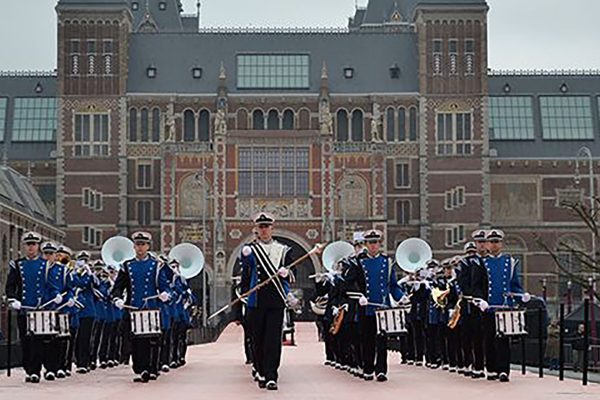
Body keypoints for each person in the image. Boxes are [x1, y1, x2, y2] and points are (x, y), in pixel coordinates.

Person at [342, 229, 405, 382]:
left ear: (379, 244)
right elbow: (348, 285)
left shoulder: (387, 262)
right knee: (367, 339)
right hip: (366, 306)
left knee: (382, 340)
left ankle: (381, 370)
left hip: (382, 306)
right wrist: (359, 296)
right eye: (370, 243)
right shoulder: (358, 262)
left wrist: (401, 297)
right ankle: (368, 368)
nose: (373, 246)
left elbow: (393, 285)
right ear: (366, 244)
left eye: (375, 242)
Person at [240, 212, 293, 391]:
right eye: (260, 227)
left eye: (266, 226)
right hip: (256, 301)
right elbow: (245, 277)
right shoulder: (250, 250)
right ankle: (260, 369)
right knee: (257, 339)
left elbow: (291, 274)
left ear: (272, 228)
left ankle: (271, 375)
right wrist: (246, 259)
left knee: (272, 340)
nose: (263, 230)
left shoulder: (283, 250)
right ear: (256, 229)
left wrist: (287, 272)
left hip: (276, 300)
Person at [111, 231, 173, 383]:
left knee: (152, 340)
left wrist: (165, 294)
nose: (140, 248)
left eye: (143, 245)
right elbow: (118, 286)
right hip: (133, 307)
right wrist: (117, 298)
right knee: (136, 341)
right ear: (134, 246)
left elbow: (165, 286)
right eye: (138, 244)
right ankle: (141, 369)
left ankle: (152, 368)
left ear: (148, 246)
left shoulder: (156, 265)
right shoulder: (127, 265)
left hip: (151, 307)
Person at [5, 232, 62, 383]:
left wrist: (56, 294)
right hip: (24, 307)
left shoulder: (45, 264)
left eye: (34, 244)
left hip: (40, 308)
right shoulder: (17, 264)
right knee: (26, 340)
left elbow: (51, 285)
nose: (31, 247)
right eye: (28, 244)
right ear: (24, 246)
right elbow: (11, 286)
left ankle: (37, 370)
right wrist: (13, 299)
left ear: (38, 246)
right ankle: (29, 369)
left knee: (39, 340)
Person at [482, 229, 531, 382]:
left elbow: (514, 284)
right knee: (489, 339)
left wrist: (521, 295)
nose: (494, 245)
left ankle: (504, 370)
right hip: (489, 306)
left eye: (497, 242)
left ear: (501, 244)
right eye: (491, 242)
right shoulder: (482, 263)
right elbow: (479, 285)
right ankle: (491, 369)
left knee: (503, 340)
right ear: (487, 245)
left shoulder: (509, 262)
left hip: (504, 306)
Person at [457, 231, 489, 379]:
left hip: (486, 303)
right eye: (479, 242)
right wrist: (475, 297)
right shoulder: (466, 263)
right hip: (470, 304)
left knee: (483, 336)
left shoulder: (488, 261)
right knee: (469, 336)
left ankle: (482, 365)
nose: (482, 244)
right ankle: (470, 363)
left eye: (484, 242)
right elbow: (463, 283)